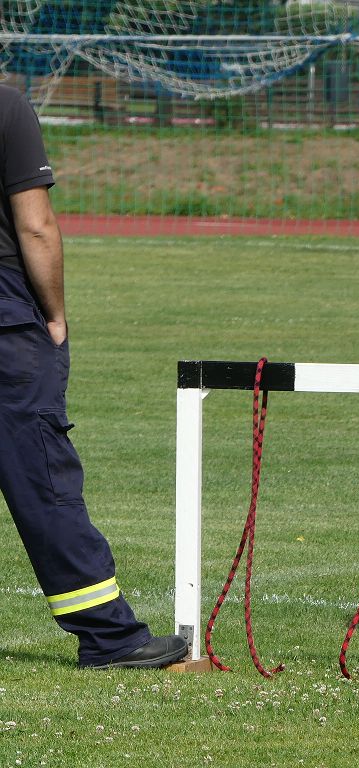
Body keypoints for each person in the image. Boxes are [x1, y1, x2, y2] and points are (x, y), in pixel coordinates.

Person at [0, 84, 188, 669]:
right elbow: (35, 226)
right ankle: (109, 637)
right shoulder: (6, 106)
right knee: (42, 477)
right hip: (6, 321)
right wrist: (54, 314)